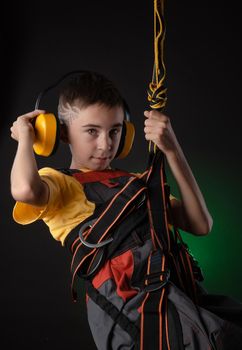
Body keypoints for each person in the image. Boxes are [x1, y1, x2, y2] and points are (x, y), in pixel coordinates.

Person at [10, 71, 242, 349]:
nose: (106, 144)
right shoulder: (59, 184)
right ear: (60, 133)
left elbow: (200, 224)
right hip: (129, 307)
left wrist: (172, 150)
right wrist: (26, 137)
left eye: (115, 131)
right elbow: (24, 190)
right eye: (92, 131)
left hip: (176, 293)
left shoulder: (135, 183)